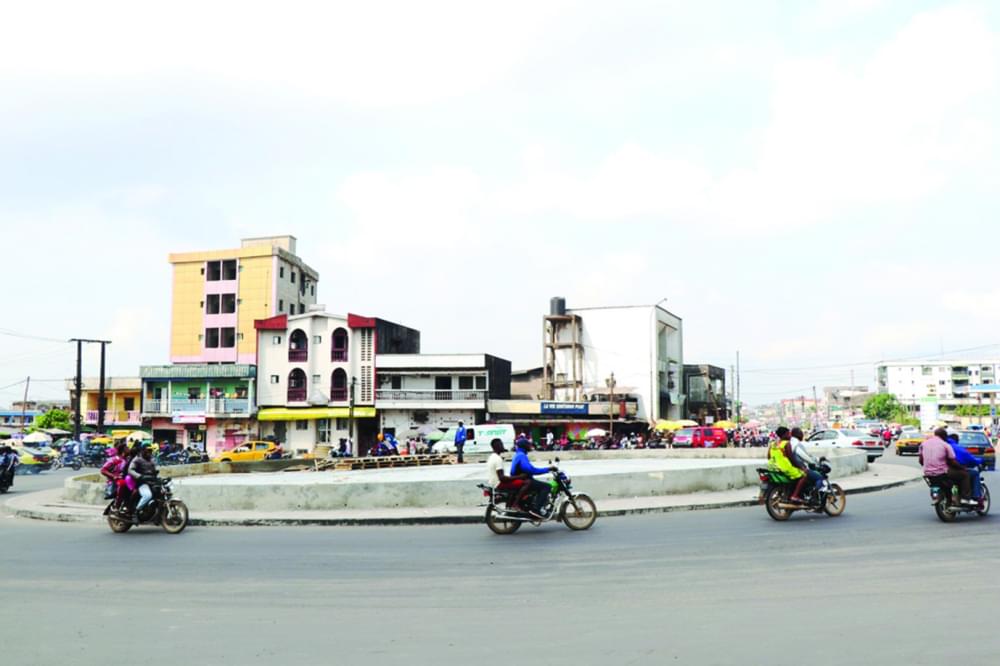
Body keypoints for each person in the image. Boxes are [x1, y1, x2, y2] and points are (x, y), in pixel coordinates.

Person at [919, 428, 973, 505]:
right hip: (942, 472)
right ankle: (965, 498)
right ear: (944, 436)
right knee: (965, 475)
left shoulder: (924, 444)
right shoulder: (945, 445)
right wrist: (962, 468)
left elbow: (921, 461)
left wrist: (929, 466)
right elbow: (953, 461)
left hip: (928, 473)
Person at [509, 436, 556, 519]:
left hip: (521, 479)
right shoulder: (521, 456)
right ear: (524, 446)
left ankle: (535, 504)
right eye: (528, 445)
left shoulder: (519, 454)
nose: (530, 446)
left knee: (538, 485)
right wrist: (547, 469)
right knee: (547, 486)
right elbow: (530, 470)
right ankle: (536, 509)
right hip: (523, 480)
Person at [769, 426, 808, 503]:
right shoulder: (786, 444)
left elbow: (768, 456)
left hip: (773, 467)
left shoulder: (773, 444)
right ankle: (795, 495)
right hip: (784, 467)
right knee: (804, 475)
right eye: (788, 434)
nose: (790, 436)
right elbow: (791, 458)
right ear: (784, 435)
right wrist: (801, 467)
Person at [946, 433, 983, 503]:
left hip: (939, 472)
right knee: (973, 473)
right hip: (951, 470)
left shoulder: (943, 445)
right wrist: (980, 461)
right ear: (956, 440)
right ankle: (974, 496)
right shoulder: (956, 447)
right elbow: (969, 458)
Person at [126, 446, 158, 523]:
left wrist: (156, 472)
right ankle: (136, 512)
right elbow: (130, 470)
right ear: (143, 450)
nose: (149, 453)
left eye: (150, 451)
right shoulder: (137, 459)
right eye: (147, 451)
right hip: (142, 482)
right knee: (147, 495)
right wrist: (140, 476)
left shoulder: (151, 460)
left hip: (152, 482)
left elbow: (154, 470)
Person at [789, 427, 823, 494]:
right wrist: (816, 461)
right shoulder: (797, 444)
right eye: (801, 433)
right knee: (819, 478)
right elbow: (807, 458)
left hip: (791, 467)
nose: (803, 435)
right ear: (798, 434)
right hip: (800, 468)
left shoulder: (789, 443)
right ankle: (813, 494)